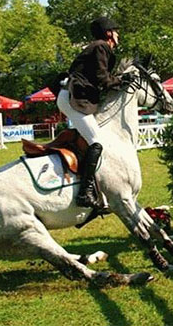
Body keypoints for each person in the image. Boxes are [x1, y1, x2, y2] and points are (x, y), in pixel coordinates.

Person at [56, 17, 125, 210]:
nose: (118, 34)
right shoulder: (101, 47)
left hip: (75, 96)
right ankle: (85, 193)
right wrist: (121, 81)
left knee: (92, 139)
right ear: (108, 33)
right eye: (115, 31)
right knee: (97, 141)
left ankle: (91, 186)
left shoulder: (98, 47)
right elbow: (102, 78)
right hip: (74, 98)